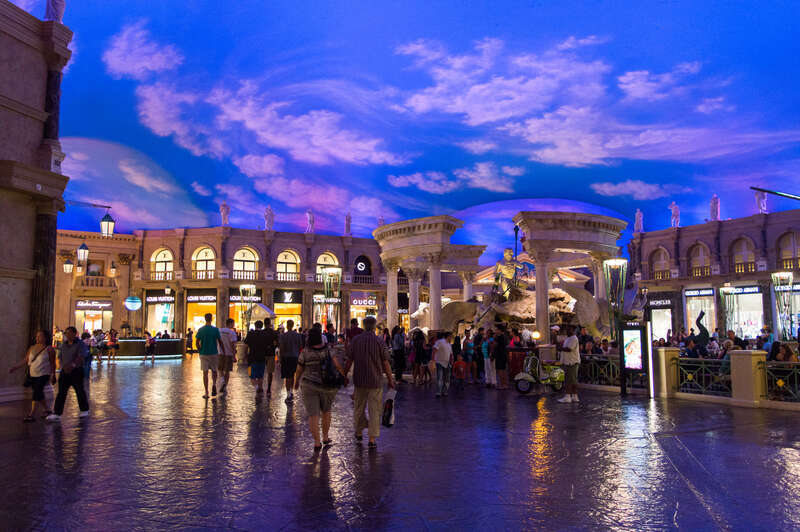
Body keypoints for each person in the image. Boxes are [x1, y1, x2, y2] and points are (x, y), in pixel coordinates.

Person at [343, 316, 394, 449]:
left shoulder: (356, 340)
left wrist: (344, 375)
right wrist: (390, 379)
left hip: (359, 380)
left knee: (359, 408)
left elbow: (349, 360)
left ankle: (359, 432)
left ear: (364, 325)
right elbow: (385, 362)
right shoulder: (379, 341)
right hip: (375, 380)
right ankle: (372, 438)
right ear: (374, 326)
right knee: (374, 410)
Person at [295, 326, 347, 451]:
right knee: (326, 412)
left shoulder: (305, 352)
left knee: (313, 415)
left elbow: (299, 369)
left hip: (309, 386)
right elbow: (338, 365)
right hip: (327, 386)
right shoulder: (328, 350)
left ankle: (317, 442)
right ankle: (325, 436)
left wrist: (296, 382)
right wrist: (344, 376)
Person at [9, 329, 56, 422]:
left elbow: (52, 363)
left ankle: (32, 414)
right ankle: (48, 410)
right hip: (33, 374)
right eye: (37, 336)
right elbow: (26, 360)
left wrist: (52, 374)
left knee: (36, 392)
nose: (37, 338)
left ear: (45, 338)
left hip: (43, 374)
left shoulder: (49, 349)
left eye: (40, 336)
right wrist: (16, 367)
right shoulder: (32, 348)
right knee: (38, 393)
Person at [49, 326, 90, 420]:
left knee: (79, 390)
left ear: (75, 334)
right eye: (66, 333)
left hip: (76, 371)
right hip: (65, 371)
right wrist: (62, 366)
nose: (68, 335)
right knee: (61, 393)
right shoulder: (64, 344)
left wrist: (73, 365)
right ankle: (57, 413)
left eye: (70, 333)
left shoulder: (80, 344)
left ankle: (84, 409)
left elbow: (81, 357)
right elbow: (60, 356)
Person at [245, 320, 277, 396]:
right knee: (260, 375)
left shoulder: (251, 333)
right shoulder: (264, 334)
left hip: (252, 358)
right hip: (262, 357)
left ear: (255, 326)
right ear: (262, 326)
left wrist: (245, 355)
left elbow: (246, 345)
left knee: (251, 375)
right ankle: (261, 387)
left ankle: (257, 387)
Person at [195, 313, 224, 399]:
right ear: (211, 319)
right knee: (214, 371)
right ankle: (214, 384)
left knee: (205, 373)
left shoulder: (201, 330)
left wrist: (199, 350)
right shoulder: (215, 330)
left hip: (204, 354)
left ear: (205, 319)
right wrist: (223, 351)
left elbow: (197, 342)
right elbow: (220, 341)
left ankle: (206, 392)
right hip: (214, 353)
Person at [279, 319, 303, 403]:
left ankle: (288, 393)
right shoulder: (297, 335)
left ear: (287, 325)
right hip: (295, 357)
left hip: (286, 357)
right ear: (292, 325)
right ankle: (291, 391)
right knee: (292, 375)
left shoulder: (283, 336)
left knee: (287, 376)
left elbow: (281, 348)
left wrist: (280, 358)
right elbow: (300, 346)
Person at [558, 326, 580, 403]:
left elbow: (569, 349)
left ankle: (567, 396)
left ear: (572, 330)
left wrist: (560, 348)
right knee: (572, 380)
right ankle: (574, 396)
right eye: (566, 330)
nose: (566, 331)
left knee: (569, 380)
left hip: (572, 362)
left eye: (568, 329)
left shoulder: (574, 338)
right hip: (568, 362)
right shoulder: (568, 338)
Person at [218, 318, 238, 395]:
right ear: (230, 323)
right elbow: (232, 344)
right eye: (233, 323)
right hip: (229, 354)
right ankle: (225, 385)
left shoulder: (220, 331)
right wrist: (234, 355)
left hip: (220, 353)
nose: (233, 325)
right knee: (227, 370)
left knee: (220, 369)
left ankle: (222, 380)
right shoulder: (232, 333)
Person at [433, 331, 454, 397]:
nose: (451, 338)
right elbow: (434, 349)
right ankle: (439, 392)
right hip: (439, 362)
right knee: (440, 377)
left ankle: (445, 391)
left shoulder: (449, 344)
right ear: (448, 336)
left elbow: (451, 354)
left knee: (447, 378)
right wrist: (433, 360)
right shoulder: (440, 342)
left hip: (447, 363)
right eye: (451, 336)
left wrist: (451, 361)